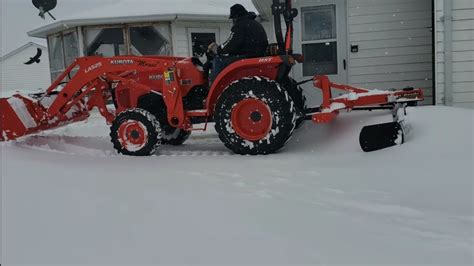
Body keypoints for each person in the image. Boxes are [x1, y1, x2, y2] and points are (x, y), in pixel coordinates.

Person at [207, 4, 269, 83]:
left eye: (233, 18)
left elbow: (231, 44)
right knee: (227, 59)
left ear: (236, 16)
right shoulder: (255, 24)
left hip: (248, 56)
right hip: (256, 55)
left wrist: (218, 50)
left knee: (218, 61)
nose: (233, 21)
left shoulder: (240, 25)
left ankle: (215, 86)